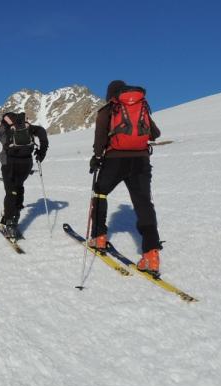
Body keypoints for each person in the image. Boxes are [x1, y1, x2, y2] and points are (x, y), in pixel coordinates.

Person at [88, 80, 163, 275]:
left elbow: (100, 137)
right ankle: (151, 254)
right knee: (143, 203)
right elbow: (155, 133)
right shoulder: (140, 106)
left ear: (110, 94)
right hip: (141, 161)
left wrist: (97, 157)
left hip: (115, 160)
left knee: (100, 193)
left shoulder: (109, 109)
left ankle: (99, 237)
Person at [0, 112, 48, 239]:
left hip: (9, 163)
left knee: (11, 191)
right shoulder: (26, 126)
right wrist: (42, 152)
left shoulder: (3, 128)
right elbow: (42, 132)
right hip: (27, 163)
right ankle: (15, 214)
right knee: (18, 186)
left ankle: (10, 223)